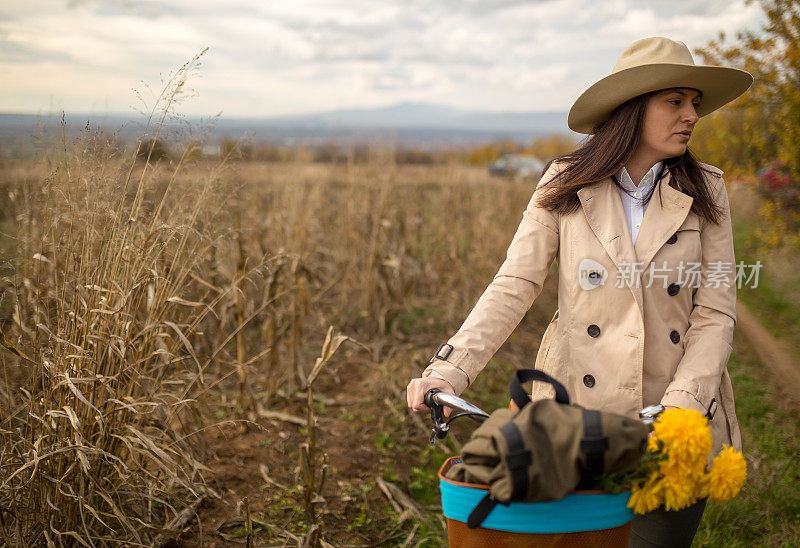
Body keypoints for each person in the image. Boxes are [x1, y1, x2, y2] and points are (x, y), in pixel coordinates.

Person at [406, 36, 753, 547]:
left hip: (674, 417)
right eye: (675, 101)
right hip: (573, 421)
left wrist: (681, 408)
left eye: (694, 103)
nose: (691, 115)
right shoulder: (564, 184)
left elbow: (716, 310)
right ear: (633, 108)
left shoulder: (707, 189)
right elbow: (514, 285)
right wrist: (449, 369)